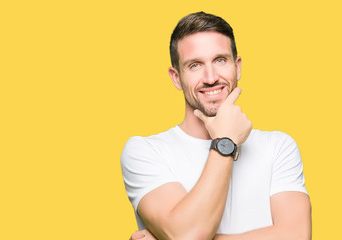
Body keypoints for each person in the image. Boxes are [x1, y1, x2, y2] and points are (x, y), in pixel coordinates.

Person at [121, 12, 311, 240]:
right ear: (176, 77)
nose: (211, 77)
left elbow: (297, 236)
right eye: (195, 65)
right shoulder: (144, 151)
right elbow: (189, 235)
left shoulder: (278, 146)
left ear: (237, 66)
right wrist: (226, 141)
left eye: (220, 60)